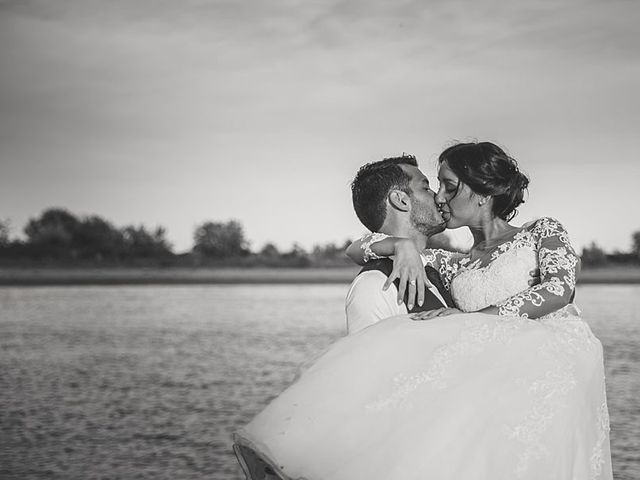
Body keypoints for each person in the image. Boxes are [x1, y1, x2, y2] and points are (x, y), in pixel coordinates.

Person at [233, 142, 612, 479]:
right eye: (435, 186)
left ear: (481, 192)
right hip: (492, 404)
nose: (441, 197)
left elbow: (560, 288)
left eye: (448, 186)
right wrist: (400, 245)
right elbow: (355, 249)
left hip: (548, 375)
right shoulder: (454, 264)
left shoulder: (541, 231)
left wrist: (478, 318)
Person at [345, 154, 452, 334]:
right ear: (401, 200)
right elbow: (368, 360)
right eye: (426, 188)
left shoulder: (439, 270)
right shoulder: (375, 285)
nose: (439, 198)